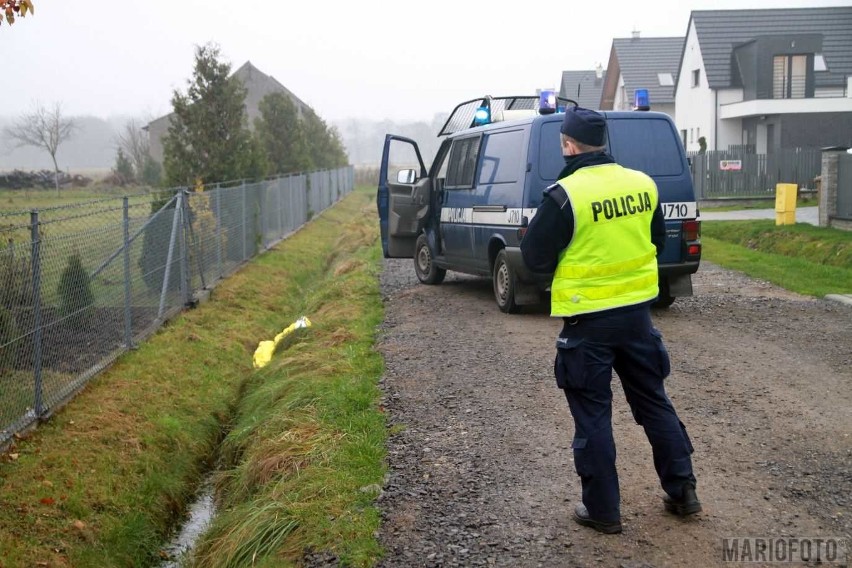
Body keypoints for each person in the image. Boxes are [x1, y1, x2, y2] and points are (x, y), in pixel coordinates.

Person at [520, 107, 700, 535]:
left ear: (568, 145)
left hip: (588, 324)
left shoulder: (564, 195)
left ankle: (603, 510)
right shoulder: (643, 184)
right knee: (655, 404)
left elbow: (534, 258)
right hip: (638, 318)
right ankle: (684, 492)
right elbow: (656, 241)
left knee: (594, 418)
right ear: (604, 143)